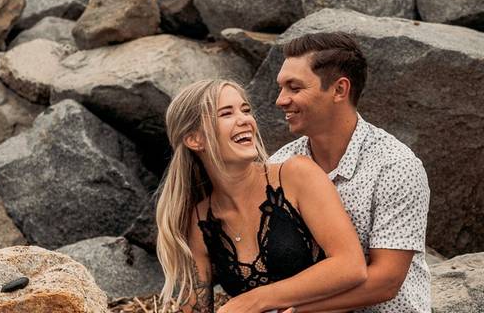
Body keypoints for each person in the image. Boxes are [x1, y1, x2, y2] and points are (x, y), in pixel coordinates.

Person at [155, 79, 367, 313]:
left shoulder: (295, 175)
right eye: (226, 114)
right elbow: (195, 308)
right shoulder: (200, 220)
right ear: (195, 139)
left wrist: (254, 300)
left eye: (246, 110)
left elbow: (350, 265)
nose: (245, 119)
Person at [269, 32, 431, 313]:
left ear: (339, 90)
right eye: (282, 88)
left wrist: (291, 308)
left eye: (294, 88)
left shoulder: (396, 165)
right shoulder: (279, 164)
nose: (280, 100)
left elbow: (387, 281)